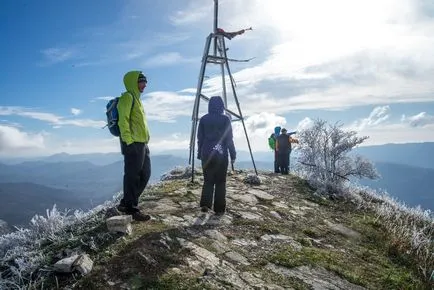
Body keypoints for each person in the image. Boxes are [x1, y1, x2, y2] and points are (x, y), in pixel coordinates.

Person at [116, 71, 151, 221]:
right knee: (132, 176)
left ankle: (126, 202)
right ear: (133, 82)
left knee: (145, 174)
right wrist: (128, 142)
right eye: (141, 81)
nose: (144, 84)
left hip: (142, 143)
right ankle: (131, 208)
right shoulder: (127, 97)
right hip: (132, 143)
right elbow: (122, 121)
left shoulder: (137, 100)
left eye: (145, 82)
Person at [197, 96, 236, 215]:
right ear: (222, 106)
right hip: (221, 154)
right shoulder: (225, 119)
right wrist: (233, 154)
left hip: (206, 153)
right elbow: (229, 139)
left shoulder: (203, 119)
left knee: (208, 180)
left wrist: (199, 153)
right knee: (220, 181)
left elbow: (200, 139)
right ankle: (219, 208)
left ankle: (205, 204)